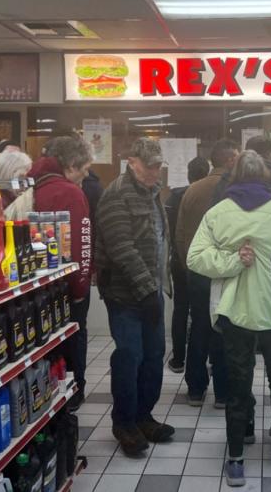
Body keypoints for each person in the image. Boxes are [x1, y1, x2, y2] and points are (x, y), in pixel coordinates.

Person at [186, 150, 271, 487]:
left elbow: (195, 258)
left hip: (233, 311)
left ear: (234, 175)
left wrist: (231, 263)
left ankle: (237, 459)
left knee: (238, 386)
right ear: (265, 177)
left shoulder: (217, 213)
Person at [94, 138, 175, 457]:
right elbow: (122, 249)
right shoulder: (116, 195)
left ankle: (144, 416)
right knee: (130, 356)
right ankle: (124, 423)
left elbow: (158, 242)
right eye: (150, 165)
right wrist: (146, 293)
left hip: (151, 291)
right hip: (126, 295)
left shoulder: (153, 193)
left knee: (154, 356)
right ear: (132, 162)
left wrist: (159, 288)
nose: (156, 171)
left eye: (159, 165)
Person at [29, 136, 93, 408]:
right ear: (70, 165)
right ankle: (72, 391)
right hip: (65, 286)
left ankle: (44, 393)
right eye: (84, 168)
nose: (86, 174)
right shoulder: (70, 193)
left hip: (32, 284)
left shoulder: (28, 183)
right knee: (73, 338)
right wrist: (80, 288)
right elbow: (82, 244)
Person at [174, 140, 239, 407]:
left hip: (198, 271)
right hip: (227, 273)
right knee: (224, 329)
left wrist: (189, 266)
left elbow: (179, 235)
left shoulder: (192, 190)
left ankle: (196, 390)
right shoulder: (236, 191)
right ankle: (223, 393)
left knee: (199, 327)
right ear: (231, 161)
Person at [164, 156, 210, 374]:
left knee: (181, 309)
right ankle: (210, 359)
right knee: (207, 312)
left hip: (180, 258)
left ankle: (179, 359)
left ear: (189, 174)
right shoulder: (213, 194)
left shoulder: (175, 196)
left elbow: (169, 230)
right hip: (205, 261)